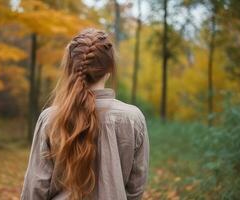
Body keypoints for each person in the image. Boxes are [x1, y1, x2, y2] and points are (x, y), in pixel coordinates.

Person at [20, 28, 149, 200]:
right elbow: (136, 188)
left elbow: (35, 189)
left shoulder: (51, 118)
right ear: (109, 68)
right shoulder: (133, 119)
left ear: (71, 69)